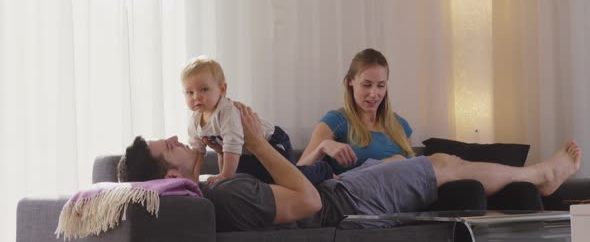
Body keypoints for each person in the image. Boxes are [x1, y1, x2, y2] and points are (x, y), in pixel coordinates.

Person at [118, 103, 581, 231]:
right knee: (442, 163)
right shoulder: (223, 193)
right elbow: (308, 199)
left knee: (440, 162)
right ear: (170, 177)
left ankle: (537, 176)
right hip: (345, 202)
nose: (180, 138)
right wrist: (256, 141)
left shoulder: (209, 191)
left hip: (345, 190)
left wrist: (215, 155)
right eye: (171, 146)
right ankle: (540, 176)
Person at [180, 55, 332, 185]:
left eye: (204, 89)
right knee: (249, 180)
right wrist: (193, 178)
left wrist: (225, 175)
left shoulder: (226, 112)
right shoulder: (195, 121)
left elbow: (232, 146)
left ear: (222, 89)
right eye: (189, 92)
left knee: (287, 180)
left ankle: (323, 169)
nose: (196, 97)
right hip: (247, 152)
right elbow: (197, 152)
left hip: (273, 142)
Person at [297, 48, 415, 174]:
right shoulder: (335, 121)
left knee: (438, 160)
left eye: (381, 85)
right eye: (366, 85)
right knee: (398, 161)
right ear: (350, 82)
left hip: (401, 191)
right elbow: (298, 173)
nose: (374, 94)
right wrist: (322, 147)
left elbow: (414, 175)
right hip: (356, 190)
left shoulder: (401, 126)